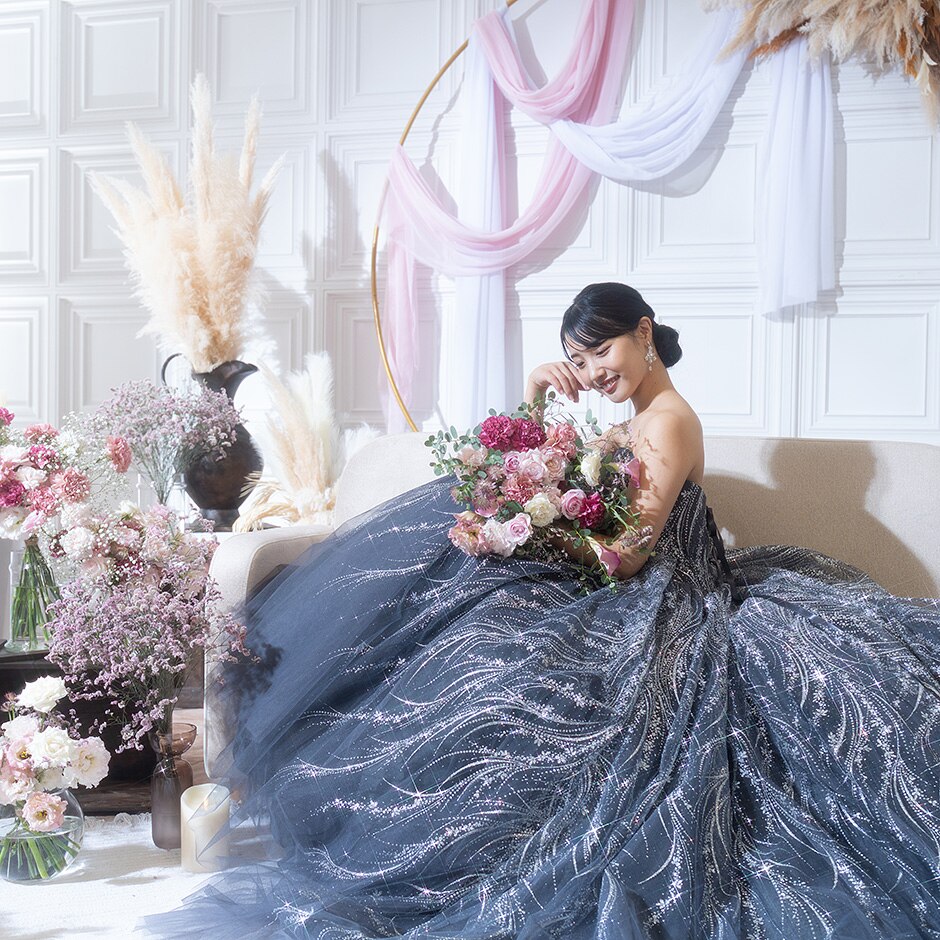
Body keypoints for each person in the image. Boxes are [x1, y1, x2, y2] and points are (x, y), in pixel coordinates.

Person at [149, 283, 940, 940]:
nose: (593, 371)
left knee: (522, 677)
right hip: (611, 586)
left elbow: (629, 553)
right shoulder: (629, 422)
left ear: (645, 332)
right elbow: (526, 464)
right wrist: (533, 406)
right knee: (473, 636)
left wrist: (537, 528)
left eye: (602, 350)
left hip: (666, 597)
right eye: (578, 359)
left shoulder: (669, 421)